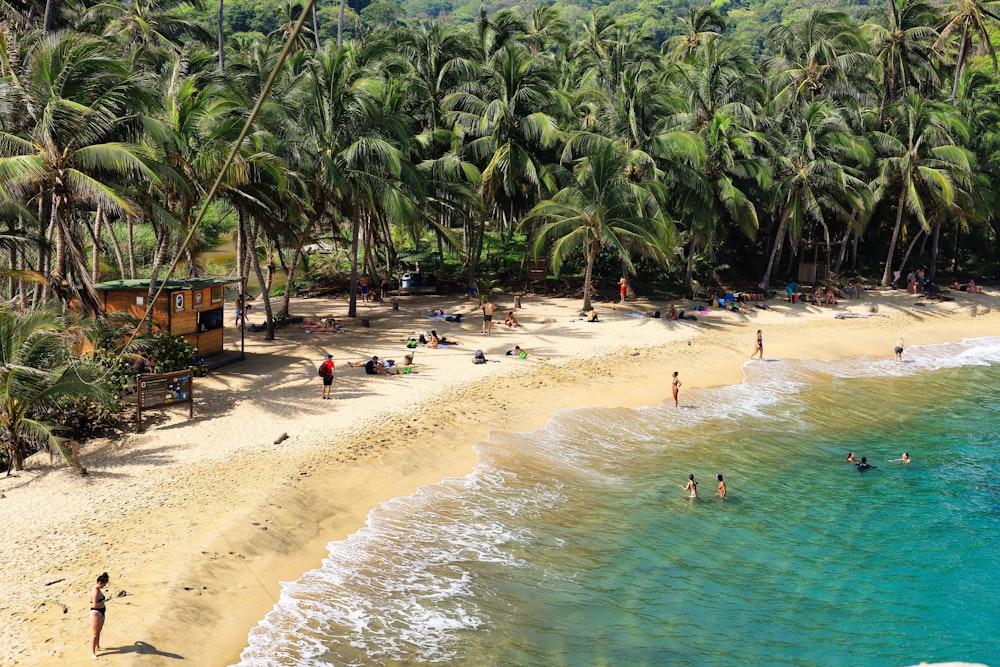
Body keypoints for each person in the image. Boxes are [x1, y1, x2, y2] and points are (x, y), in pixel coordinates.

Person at [90, 572, 109, 659]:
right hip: (96, 613)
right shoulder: (95, 591)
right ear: (100, 583)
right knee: (94, 634)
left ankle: (97, 646)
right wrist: (104, 601)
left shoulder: (98, 589)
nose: (104, 586)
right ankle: (92, 653)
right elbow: (94, 605)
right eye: (104, 585)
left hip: (102, 611)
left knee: (99, 630)